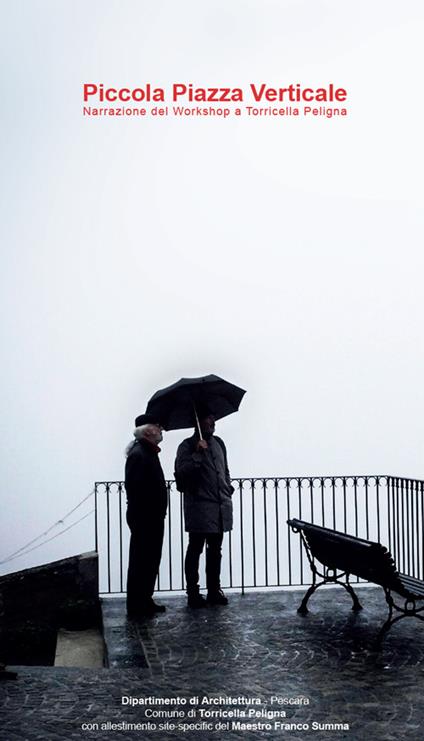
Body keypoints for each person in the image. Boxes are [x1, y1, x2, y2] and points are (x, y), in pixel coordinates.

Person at [174, 412, 234, 608]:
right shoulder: (186, 446)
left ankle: (213, 591)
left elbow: (224, 469)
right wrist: (197, 454)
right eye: (208, 419)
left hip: (219, 507)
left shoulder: (220, 443)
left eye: (213, 418)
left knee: (215, 550)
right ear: (198, 422)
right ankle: (193, 592)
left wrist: (228, 487)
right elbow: (181, 478)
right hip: (199, 507)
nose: (213, 422)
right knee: (195, 550)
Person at [125, 413, 168, 618]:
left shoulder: (146, 452)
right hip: (145, 518)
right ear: (149, 430)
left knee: (149, 559)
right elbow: (135, 489)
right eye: (158, 426)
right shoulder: (140, 454)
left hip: (151, 517)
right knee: (142, 560)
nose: (161, 429)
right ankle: (137, 603)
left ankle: (144, 599)